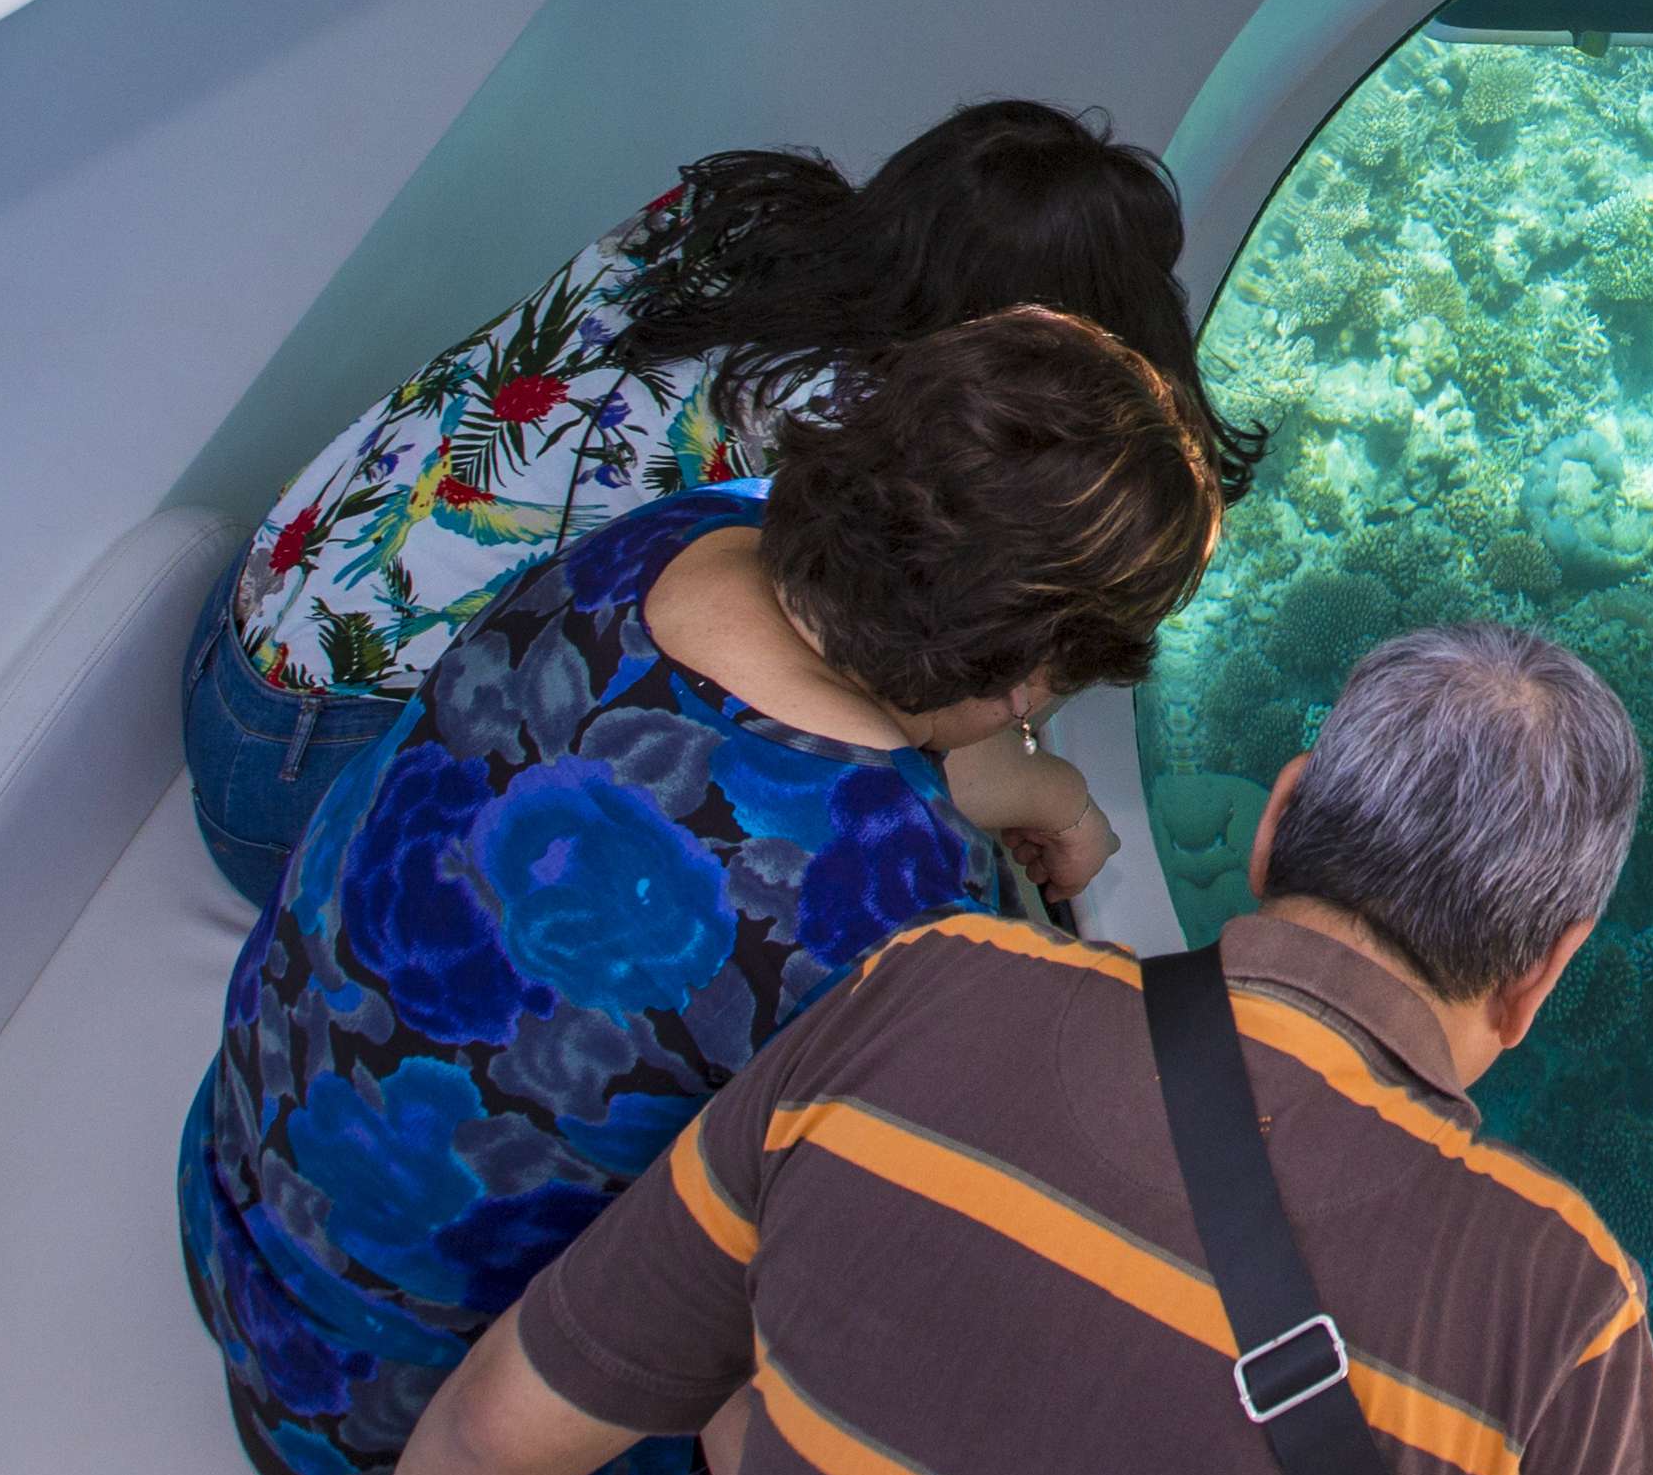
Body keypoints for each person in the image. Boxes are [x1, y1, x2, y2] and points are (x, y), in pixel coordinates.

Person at [212, 624, 1653, 1475]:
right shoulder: (1550, 1298)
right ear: (1545, 969)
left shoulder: (929, 987)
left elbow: (512, 1414)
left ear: (1277, 817)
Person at [182, 306, 1219, 1475]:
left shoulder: (681, 531)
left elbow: (795, 749)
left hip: (240, 1206)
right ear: (1032, 669)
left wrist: (1035, 786)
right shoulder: (899, 897)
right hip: (393, 1425)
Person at [183, 98, 1263, 903]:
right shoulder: (844, 432)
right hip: (307, 783)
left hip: (241, 627)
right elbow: (842, 748)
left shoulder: (732, 213)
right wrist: (1053, 794)